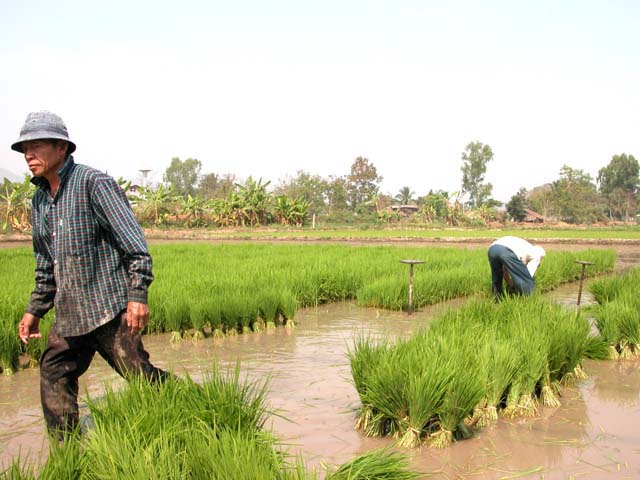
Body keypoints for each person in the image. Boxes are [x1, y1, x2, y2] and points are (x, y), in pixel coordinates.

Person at [14, 111, 169, 438]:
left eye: (37, 145)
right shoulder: (40, 200)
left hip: (107, 308)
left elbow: (134, 243)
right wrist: (34, 310)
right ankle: (67, 449)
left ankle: (192, 406)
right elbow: (46, 263)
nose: (29, 154)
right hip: (70, 312)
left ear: (62, 149)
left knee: (139, 374)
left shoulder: (92, 183)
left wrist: (137, 295)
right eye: (25, 147)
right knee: (53, 370)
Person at [488, 236, 546, 300]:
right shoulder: (537, 254)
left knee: (497, 279)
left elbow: (505, 270)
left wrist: (509, 283)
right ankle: (530, 300)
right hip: (507, 251)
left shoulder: (526, 248)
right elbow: (527, 275)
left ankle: (497, 299)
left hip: (492, 249)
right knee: (527, 281)